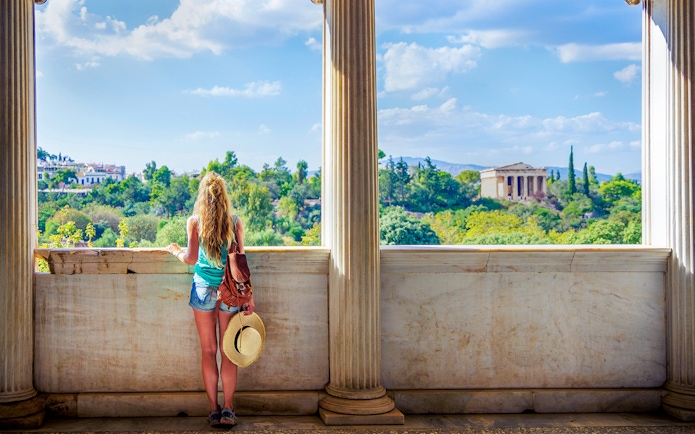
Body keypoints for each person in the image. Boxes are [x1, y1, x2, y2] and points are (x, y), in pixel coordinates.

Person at [166, 171, 255, 428]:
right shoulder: (235, 222)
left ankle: (213, 410)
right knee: (229, 352)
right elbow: (241, 264)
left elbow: (192, 259)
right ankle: (228, 409)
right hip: (230, 291)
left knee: (208, 351)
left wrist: (176, 252)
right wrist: (249, 295)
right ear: (224, 197)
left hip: (204, 288)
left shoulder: (195, 222)